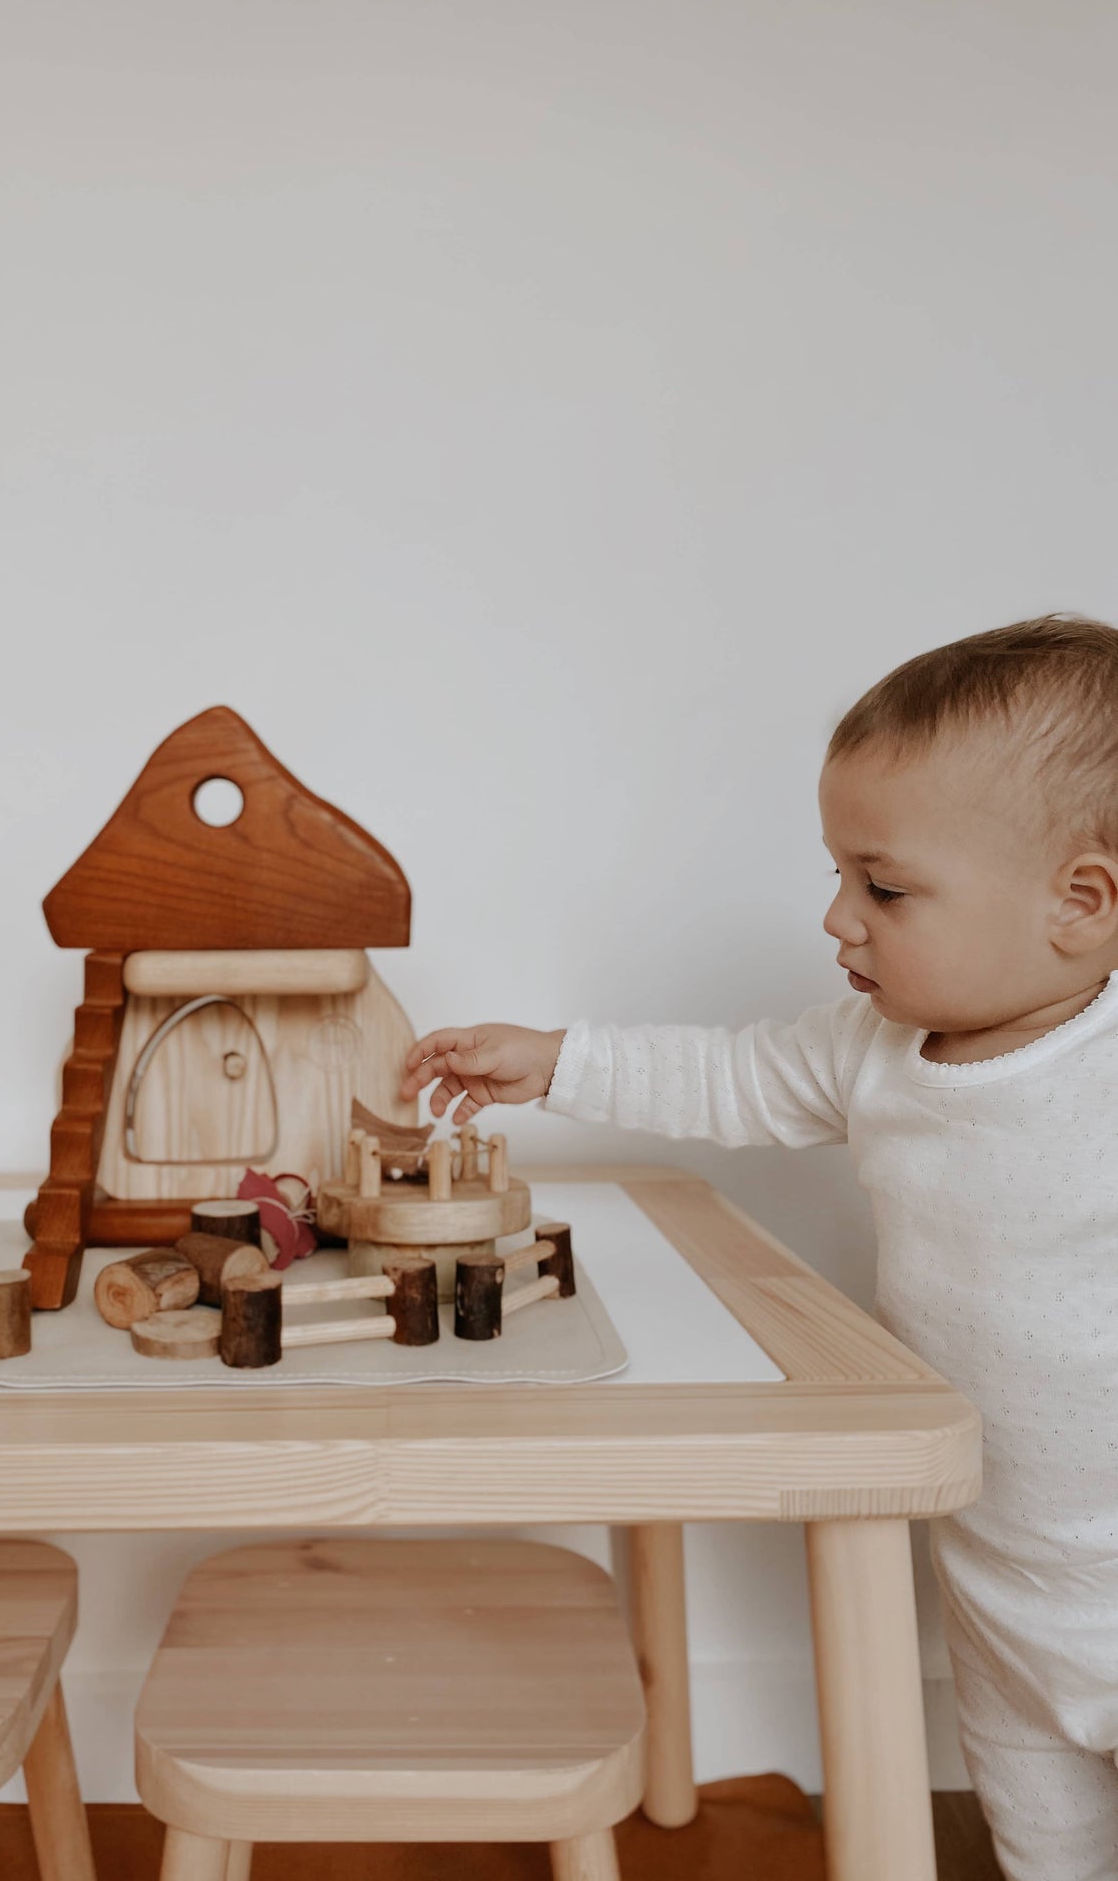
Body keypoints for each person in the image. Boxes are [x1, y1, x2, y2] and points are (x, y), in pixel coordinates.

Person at [401, 614, 1118, 1881]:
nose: (837, 917)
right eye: (839, 874)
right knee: (1042, 1838)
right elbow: (725, 1077)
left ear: (1080, 902)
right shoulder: (870, 1050)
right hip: (996, 1570)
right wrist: (554, 1059)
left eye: (883, 887)